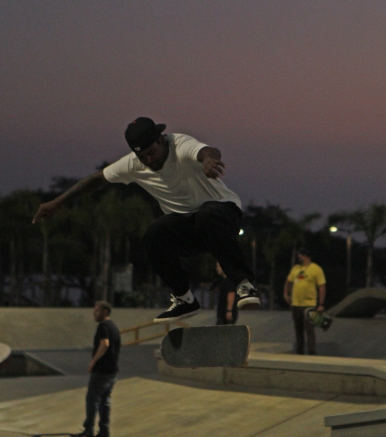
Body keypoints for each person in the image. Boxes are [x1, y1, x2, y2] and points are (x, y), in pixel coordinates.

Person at [33, 117, 260, 322]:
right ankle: (184, 299)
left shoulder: (180, 145)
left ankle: (244, 284)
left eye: (152, 153)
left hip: (223, 215)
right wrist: (57, 202)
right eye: (143, 157)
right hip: (188, 229)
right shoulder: (133, 164)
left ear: (160, 140)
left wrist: (209, 160)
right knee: (154, 234)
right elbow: (97, 179)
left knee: (208, 214)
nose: (149, 160)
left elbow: (208, 151)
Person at [78, 301, 121, 437]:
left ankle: (89, 430)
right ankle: (104, 431)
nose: (94, 314)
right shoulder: (113, 326)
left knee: (92, 400)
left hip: (101, 370)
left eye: (97, 311)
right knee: (105, 401)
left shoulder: (103, 326)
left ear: (105, 311)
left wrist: (93, 361)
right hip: (112, 370)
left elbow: (105, 344)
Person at [283, 247, 326, 355]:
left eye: (301, 256)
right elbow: (288, 281)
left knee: (309, 329)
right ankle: (300, 350)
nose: (299, 258)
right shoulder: (296, 268)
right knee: (298, 329)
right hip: (296, 303)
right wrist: (286, 294)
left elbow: (321, 287)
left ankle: (311, 351)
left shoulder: (316, 269)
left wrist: (321, 304)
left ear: (306, 256)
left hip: (309, 304)